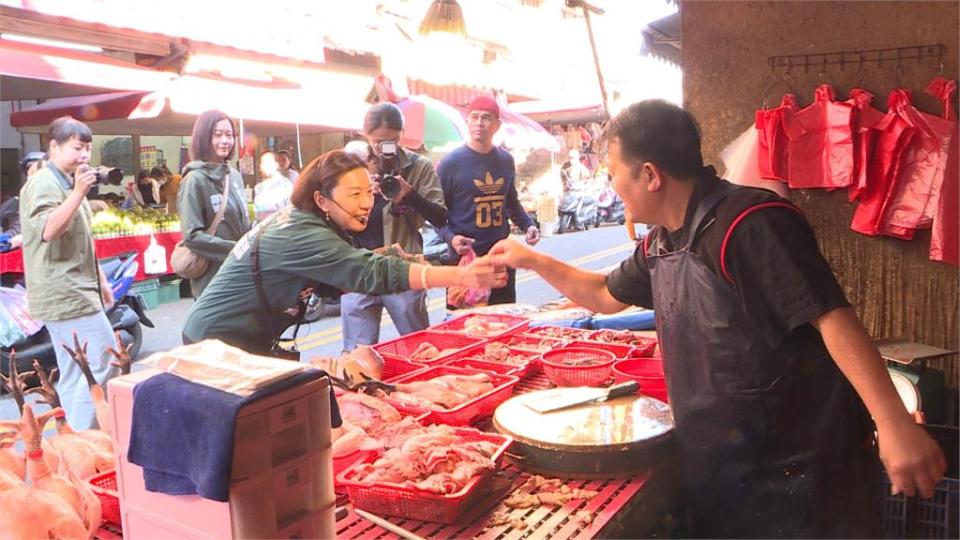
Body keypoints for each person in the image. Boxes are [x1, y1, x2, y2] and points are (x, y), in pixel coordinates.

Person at [489, 100, 946, 538]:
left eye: (614, 175)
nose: (613, 188)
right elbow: (603, 295)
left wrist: (893, 424)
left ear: (649, 175)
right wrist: (531, 260)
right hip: (725, 464)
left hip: (806, 469)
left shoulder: (749, 224)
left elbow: (833, 319)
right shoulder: (662, 242)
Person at [182, 150, 505, 355]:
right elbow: (368, 271)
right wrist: (460, 274)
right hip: (215, 343)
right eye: (354, 194)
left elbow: (366, 264)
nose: (366, 202)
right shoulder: (300, 233)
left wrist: (424, 260)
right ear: (322, 200)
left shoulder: (313, 223)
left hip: (243, 338)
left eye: (369, 192)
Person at [18, 116, 118, 430]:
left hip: (78, 288)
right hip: (64, 292)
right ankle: (86, 440)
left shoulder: (66, 180)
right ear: (54, 146)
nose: (85, 156)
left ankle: (73, 443)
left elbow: (81, 240)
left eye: (88, 148)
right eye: (77, 148)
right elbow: (48, 230)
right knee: (104, 362)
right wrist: (77, 194)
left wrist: (101, 281)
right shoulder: (45, 183)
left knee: (77, 370)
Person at [340, 103, 448, 351]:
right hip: (360, 269)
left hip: (403, 269)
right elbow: (332, 215)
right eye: (378, 141)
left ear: (401, 135)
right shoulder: (351, 167)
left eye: (392, 141)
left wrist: (409, 195)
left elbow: (440, 217)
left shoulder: (418, 166)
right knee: (358, 355)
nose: (385, 148)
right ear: (364, 134)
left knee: (419, 349)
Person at [437, 95, 539, 305]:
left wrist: (528, 225)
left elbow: (510, 202)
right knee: (464, 325)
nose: (479, 123)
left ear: (497, 125)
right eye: (474, 117)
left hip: (501, 256)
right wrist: (450, 238)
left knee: (503, 320)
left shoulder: (505, 160)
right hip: (465, 258)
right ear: (467, 121)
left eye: (486, 118)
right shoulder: (450, 163)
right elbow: (436, 214)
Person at [177, 110, 251, 298]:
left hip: (243, 275)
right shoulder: (194, 180)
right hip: (213, 281)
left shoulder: (233, 176)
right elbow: (192, 236)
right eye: (217, 135)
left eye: (229, 135)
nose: (225, 141)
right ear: (203, 137)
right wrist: (236, 250)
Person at [253, 151, 293, 222]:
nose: (267, 166)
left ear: (276, 164)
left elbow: (290, 211)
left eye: (269, 162)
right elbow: (257, 214)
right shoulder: (259, 188)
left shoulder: (286, 185)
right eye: (264, 163)